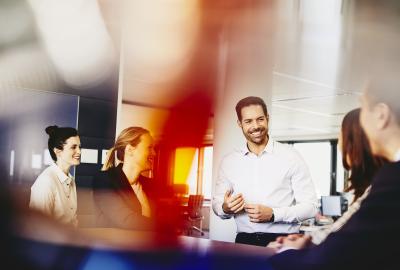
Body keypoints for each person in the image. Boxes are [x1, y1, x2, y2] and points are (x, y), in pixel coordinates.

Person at [267, 72, 400, 269]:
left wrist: (286, 252)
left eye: (363, 107)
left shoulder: (392, 182)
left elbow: (330, 261)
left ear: (381, 115)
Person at [268, 108, 386, 250]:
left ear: (355, 143)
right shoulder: (372, 189)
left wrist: (290, 248)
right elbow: (338, 229)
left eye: (341, 135)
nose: (340, 145)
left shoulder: (377, 193)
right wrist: (308, 239)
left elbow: (342, 237)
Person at [212, 96, 318, 247]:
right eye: (248, 121)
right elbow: (217, 204)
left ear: (267, 118)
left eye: (260, 119)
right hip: (244, 242)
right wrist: (225, 208)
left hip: (284, 241)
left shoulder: (291, 156)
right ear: (239, 124)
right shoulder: (229, 161)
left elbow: (311, 207)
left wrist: (274, 214)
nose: (256, 126)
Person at [93, 126, 156, 230]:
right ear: (130, 149)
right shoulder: (104, 180)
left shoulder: (150, 185)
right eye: (149, 147)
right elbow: (126, 220)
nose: (154, 153)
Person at [29, 125, 80, 226]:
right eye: (73, 147)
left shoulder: (71, 180)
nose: (79, 151)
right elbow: (39, 227)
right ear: (58, 151)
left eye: (79, 146)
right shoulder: (46, 182)